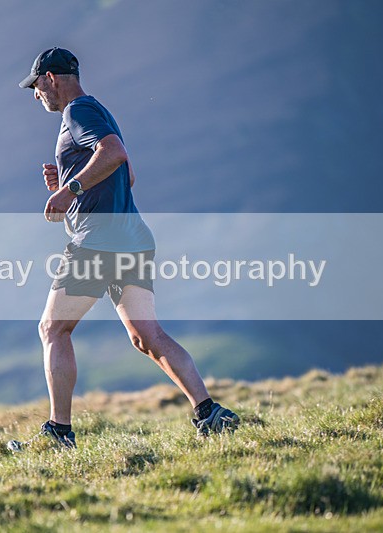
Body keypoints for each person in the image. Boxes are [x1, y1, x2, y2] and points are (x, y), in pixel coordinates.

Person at [19, 47, 239, 448]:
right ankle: (209, 412)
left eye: (36, 85)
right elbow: (127, 173)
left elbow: (115, 154)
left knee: (53, 328)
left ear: (50, 78)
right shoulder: (98, 110)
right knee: (145, 335)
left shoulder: (77, 112)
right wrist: (68, 180)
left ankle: (59, 433)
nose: (36, 95)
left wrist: (70, 190)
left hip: (98, 239)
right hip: (131, 236)